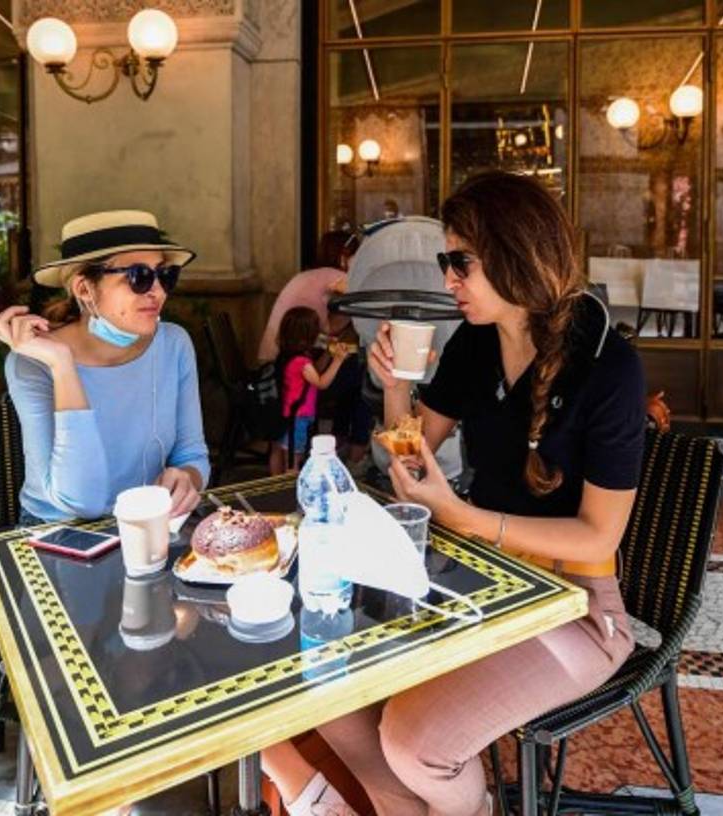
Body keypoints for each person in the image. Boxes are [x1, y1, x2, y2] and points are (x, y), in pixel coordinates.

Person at [262, 171, 644, 816]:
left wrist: (463, 516)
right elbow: (410, 455)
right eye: (448, 261)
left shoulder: (608, 367)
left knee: (416, 745)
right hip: (478, 582)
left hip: (574, 608)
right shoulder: (475, 342)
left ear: (514, 253)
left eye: (460, 262)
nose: (448, 281)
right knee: (326, 679)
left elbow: (599, 536)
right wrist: (393, 386)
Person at [0, 210, 210, 524]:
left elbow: (193, 455)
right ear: (84, 289)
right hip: (58, 529)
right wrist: (62, 365)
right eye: (138, 277)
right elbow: (81, 502)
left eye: (165, 275)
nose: (158, 291)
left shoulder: (174, 344)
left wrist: (188, 478)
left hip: (149, 521)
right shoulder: (34, 363)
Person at [269, 307, 354, 474]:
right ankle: (288, 493)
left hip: (286, 414)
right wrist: (338, 361)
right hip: (299, 417)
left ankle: (274, 485)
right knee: (294, 460)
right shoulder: (301, 362)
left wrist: (329, 354)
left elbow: (314, 370)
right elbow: (321, 382)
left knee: (279, 450)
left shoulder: (288, 355)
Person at [257, 231, 358, 363]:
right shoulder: (334, 276)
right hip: (283, 366)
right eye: (357, 256)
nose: (359, 263)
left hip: (269, 359)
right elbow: (364, 295)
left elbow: (327, 328)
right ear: (344, 257)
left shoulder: (311, 275)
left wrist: (349, 312)